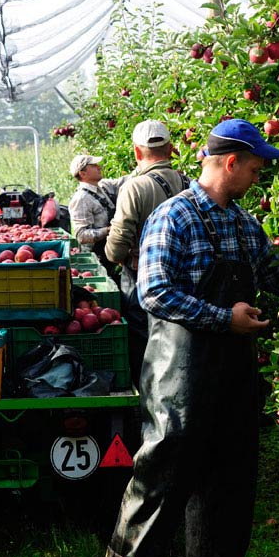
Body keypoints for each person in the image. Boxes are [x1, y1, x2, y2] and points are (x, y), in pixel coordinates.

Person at [92, 119, 279, 557]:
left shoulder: (245, 223)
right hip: (180, 370)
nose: (257, 176)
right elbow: (153, 291)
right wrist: (223, 317)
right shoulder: (174, 217)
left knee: (232, 469)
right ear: (230, 163)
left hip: (232, 368)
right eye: (253, 167)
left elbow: (276, 272)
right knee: (166, 467)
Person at [104, 120, 188, 389]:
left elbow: (118, 242)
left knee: (146, 339)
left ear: (137, 153)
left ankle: (149, 394)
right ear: (171, 149)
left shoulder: (135, 187)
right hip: (184, 278)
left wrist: (115, 255)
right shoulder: (189, 183)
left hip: (142, 276)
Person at [68, 154, 122, 274]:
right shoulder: (81, 199)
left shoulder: (103, 187)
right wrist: (109, 230)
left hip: (109, 251)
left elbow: (125, 181)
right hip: (96, 259)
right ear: (83, 173)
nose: (99, 167)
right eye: (93, 166)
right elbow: (81, 235)